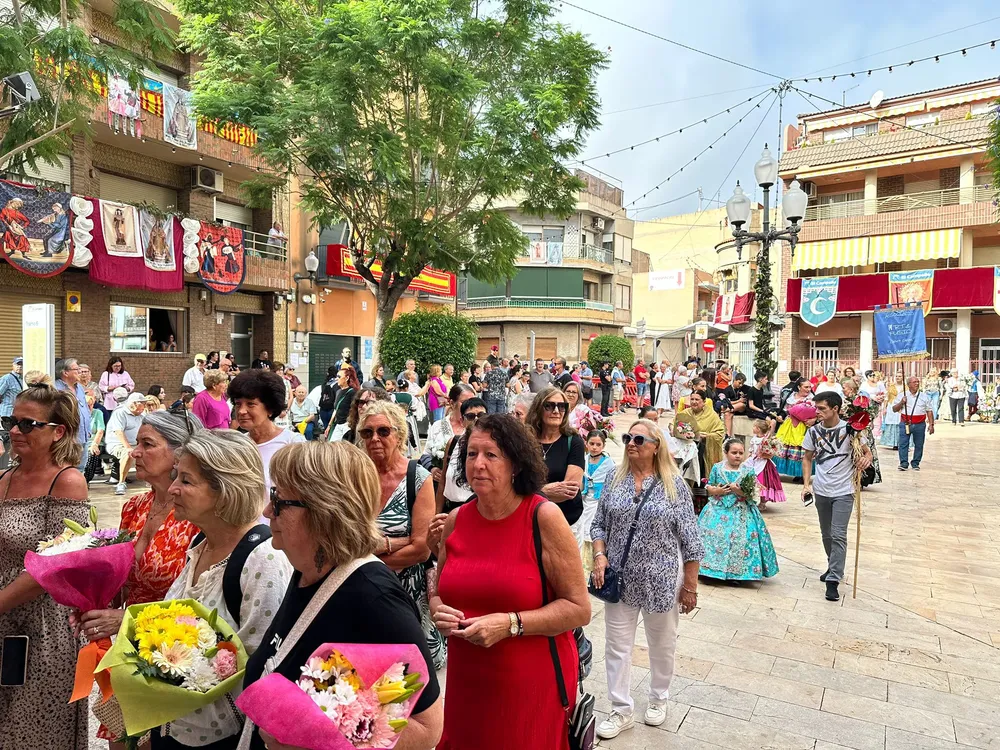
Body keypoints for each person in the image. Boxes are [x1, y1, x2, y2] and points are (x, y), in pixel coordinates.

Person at [239, 441, 444, 750]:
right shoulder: (307, 571)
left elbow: (426, 728)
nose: (268, 510)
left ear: (324, 512)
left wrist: (312, 742)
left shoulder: (373, 600)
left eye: (279, 500)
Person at [430, 414, 589, 749]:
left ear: (516, 464)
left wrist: (510, 624)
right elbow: (439, 581)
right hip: (467, 680)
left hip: (529, 682)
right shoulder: (457, 520)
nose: (478, 464)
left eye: (491, 455)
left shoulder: (543, 517)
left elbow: (578, 609)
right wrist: (436, 607)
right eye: (471, 454)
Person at [153, 430, 293, 749]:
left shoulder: (263, 558)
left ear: (225, 492)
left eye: (186, 481)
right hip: (176, 728)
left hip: (226, 738)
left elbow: (261, 668)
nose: (172, 488)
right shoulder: (200, 543)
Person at [590, 419, 703, 740]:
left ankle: (658, 697)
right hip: (620, 580)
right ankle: (620, 708)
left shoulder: (674, 484)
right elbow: (598, 524)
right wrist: (600, 555)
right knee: (617, 646)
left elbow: (691, 540)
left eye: (639, 438)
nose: (631, 443)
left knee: (662, 644)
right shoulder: (614, 477)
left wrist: (690, 586)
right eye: (628, 437)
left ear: (656, 447)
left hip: (662, 580)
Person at [0, 385, 90, 749]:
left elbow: (57, 565)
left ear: (59, 431)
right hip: (4, 616)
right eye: (11, 421)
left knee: (35, 734)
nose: (15, 430)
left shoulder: (68, 481)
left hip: (43, 628)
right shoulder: (5, 479)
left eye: (28, 424)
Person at [356, 401, 444, 670]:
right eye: (366, 433)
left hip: (405, 592)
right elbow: (345, 541)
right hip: (360, 591)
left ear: (399, 435)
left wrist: (372, 552)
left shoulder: (418, 477)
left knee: (410, 671)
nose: (374, 439)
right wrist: (397, 542)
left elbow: (421, 549)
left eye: (383, 431)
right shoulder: (354, 475)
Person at [802, 391, 873, 602]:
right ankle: (832, 564)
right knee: (826, 534)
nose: (818, 412)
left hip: (844, 490)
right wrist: (806, 484)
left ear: (835, 408)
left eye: (822, 408)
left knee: (838, 533)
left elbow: (867, 452)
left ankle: (833, 579)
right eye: (817, 408)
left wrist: (866, 459)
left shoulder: (852, 429)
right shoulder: (813, 432)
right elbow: (807, 458)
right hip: (822, 489)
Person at [698, 437, 779, 582]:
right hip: (718, 508)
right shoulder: (717, 467)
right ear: (726, 452)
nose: (737, 456)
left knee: (740, 538)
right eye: (734, 452)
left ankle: (737, 574)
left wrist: (739, 491)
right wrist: (717, 490)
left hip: (740, 509)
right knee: (714, 535)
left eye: (741, 453)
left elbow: (753, 493)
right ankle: (709, 571)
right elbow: (709, 486)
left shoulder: (748, 470)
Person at [228, 369, 305, 494]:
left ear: (270, 408)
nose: (241, 411)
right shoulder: (237, 446)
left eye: (251, 404)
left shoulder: (293, 444)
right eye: (238, 404)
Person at [526, 385, 586, 528]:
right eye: (550, 406)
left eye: (562, 406)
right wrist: (544, 491)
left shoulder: (573, 441)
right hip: (532, 519)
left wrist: (531, 492)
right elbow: (513, 484)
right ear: (538, 408)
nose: (556, 411)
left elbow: (569, 490)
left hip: (567, 521)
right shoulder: (525, 441)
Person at [435, 397, 486, 516]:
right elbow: (443, 481)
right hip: (451, 510)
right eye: (471, 416)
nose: (477, 419)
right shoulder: (453, 443)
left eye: (481, 415)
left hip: (479, 511)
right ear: (462, 420)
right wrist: (436, 514)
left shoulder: (494, 446)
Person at [579, 429, 615, 571]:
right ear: (586, 444)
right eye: (591, 443)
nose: (594, 447)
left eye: (598, 444)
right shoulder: (583, 460)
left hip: (598, 501)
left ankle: (595, 565)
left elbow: (611, 484)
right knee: (581, 530)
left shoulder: (608, 463)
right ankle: (583, 566)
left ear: (603, 446)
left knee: (593, 530)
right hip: (584, 499)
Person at [424, 384, 476, 479]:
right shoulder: (438, 426)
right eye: (464, 402)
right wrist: (432, 468)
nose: (469, 406)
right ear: (452, 403)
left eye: (473, 402)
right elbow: (426, 454)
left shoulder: (478, 427)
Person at [675, 390, 726, 473]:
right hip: (685, 452)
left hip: (703, 453)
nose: (694, 402)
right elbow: (673, 425)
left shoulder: (712, 416)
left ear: (704, 401)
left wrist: (705, 436)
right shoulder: (685, 413)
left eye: (697, 399)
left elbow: (720, 434)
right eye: (692, 399)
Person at [105, 392, 147, 495]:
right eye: (143, 403)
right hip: (118, 444)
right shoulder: (120, 412)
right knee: (128, 454)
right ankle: (121, 483)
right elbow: (119, 432)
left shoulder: (142, 415)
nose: (144, 406)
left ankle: (150, 480)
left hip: (136, 443)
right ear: (134, 404)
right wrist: (128, 447)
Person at [54, 357, 91, 469]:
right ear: (65, 372)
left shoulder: (79, 387)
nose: (80, 372)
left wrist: (88, 431)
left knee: (81, 469)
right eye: (77, 369)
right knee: (66, 468)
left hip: (83, 436)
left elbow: (85, 409)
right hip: (68, 438)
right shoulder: (56, 388)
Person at [775, 377, 815, 479]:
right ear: (799, 387)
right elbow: (784, 411)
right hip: (789, 426)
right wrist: (781, 417)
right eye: (806, 387)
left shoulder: (811, 399)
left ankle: (802, 474)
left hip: (804, 427)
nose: (808, 389)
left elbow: (817, 413)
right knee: (786, 448)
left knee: (803, 449)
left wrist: (813, 420)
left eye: (810, 387)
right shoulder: (790, 397)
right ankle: (791, 472)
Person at [893, 375, 935, 471]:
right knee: (903, 443)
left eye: (917, 382)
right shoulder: (902, 395)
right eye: (914, 382)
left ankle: (916, 462)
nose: (917, 384)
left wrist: (931, 425)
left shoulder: (924, 396)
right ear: (908, 385)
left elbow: (929, 410)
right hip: (905, 423)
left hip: (920, 424)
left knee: (919, 444)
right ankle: (903, 463)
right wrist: (901, 403)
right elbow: (894, 409)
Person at [744, 418, 785, 507]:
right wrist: (748, 457)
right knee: (749, 478)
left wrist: (765, 454)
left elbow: (771, 452)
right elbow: (751, 450)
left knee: (762, 480)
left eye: (754, 427)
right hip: (753, 460)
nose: (753, 428)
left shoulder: (766, 440)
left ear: (758, 429)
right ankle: (750, 498)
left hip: (763, 462)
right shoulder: (754, 438)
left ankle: (763, 502)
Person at [324, 364, 360, 442]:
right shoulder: (338, 391)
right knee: (332, 446)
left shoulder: (353, 392)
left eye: (339, 377)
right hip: (338, 424)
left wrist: (352, 425)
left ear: (347, 378)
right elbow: (335, 409)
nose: (337, 379)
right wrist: (329, 426)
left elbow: (356, 409)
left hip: (347, 425)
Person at [880, 372, 904, 448]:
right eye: (896, 376)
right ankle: (893, 443)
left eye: (899, 376)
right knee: (892, 423)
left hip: (902, 406)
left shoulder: (906, 387)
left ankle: (901, 443)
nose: (898, 377)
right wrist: (884, 408)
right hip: (891, 405)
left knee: (900, 423)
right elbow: (887, 398)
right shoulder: (891, 386)